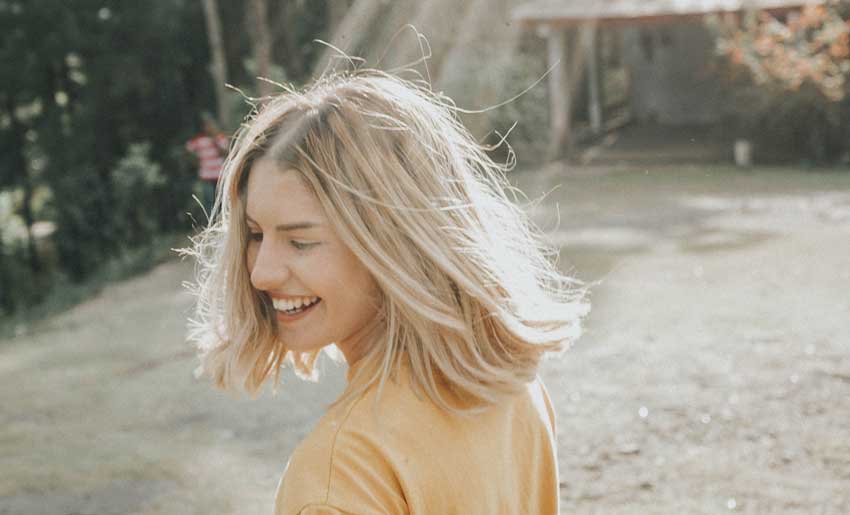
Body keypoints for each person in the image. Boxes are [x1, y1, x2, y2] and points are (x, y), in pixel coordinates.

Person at [186, 69, 588, 515]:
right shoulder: (510, 383)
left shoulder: (337, 477)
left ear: (393, 244)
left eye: (301, 242)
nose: (261, 274)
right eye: (256, 234)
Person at [185, 113, 228, 216]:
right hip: (206, 176)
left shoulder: (220, 138)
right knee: (209, 202)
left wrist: (214, 140)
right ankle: (212, 223)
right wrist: (196, 161)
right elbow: (188, 151)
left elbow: (225, 152)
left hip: (219, 176)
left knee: (222, 201)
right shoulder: (199, 140)